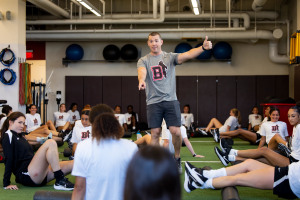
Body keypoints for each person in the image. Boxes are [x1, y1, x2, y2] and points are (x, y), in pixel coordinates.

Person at [137, 32, 212, 173]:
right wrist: (141, 80)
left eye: (156, 41)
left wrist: (202, 48)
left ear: (161, 42)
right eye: (151, 41)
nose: (154, 43)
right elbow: (142, 72)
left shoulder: (169, 57)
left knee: (176, 131)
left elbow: (188, 54)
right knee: (155, 133)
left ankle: (176, 158)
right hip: (153, 102)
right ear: (148, 43)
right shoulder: (144, 60)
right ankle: (154, 162)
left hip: (170, 100)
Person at [71, 112, 138, 200]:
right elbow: (136, 184)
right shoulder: (131, 147)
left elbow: (79, 188)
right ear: (117, 127)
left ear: (95, 128)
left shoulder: (83, 147)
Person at [1, 112, 74, 191]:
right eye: (19, 122)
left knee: (74, 163)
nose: (22, 126)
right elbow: (8, 159)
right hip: (28, 175)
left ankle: (84, 180)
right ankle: (60, 180)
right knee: (51, 142)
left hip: (40, 173)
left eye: (23, 123)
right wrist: (6, 183)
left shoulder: (20, 135)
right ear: (10, 122)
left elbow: (33, 141)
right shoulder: (8, 135)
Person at [184, 159, 300, 199]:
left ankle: (198, 184)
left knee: (237, 178)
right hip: (291, 170)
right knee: (249, 163)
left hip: (291, 179)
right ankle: (205, 174)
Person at [215, 107, 290, 166]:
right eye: (273, 115)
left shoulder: (283, 124)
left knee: (259, 159)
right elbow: (263, 139)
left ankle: (230, 157)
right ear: (270, 115)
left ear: (279, 116)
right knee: (270, 142)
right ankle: (229, 148)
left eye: (277, 115)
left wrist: (287, 146)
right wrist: (258, 151)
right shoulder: (266, 124)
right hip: (271, 146)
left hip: (282, 149)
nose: (275, 116)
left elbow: (286, 138)